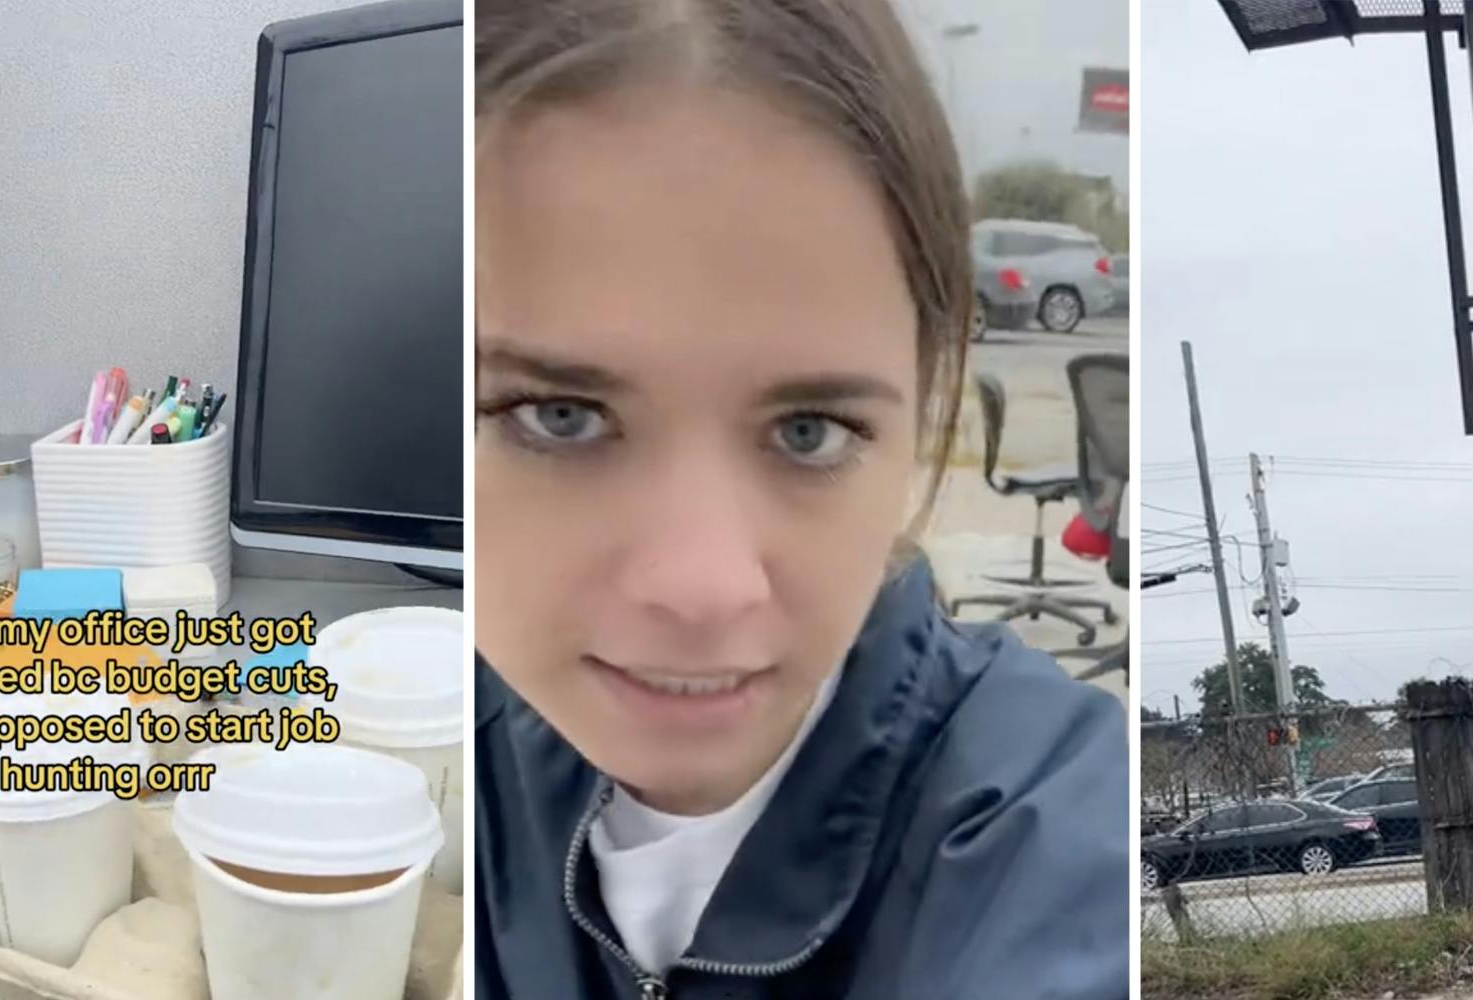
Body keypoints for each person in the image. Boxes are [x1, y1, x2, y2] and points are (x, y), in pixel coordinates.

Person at [472, 2, 1130, 998]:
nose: (701, 588)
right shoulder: (439, 747)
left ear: (923, 407)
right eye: (559, 415)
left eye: (808, 431)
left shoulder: (1052, 837)